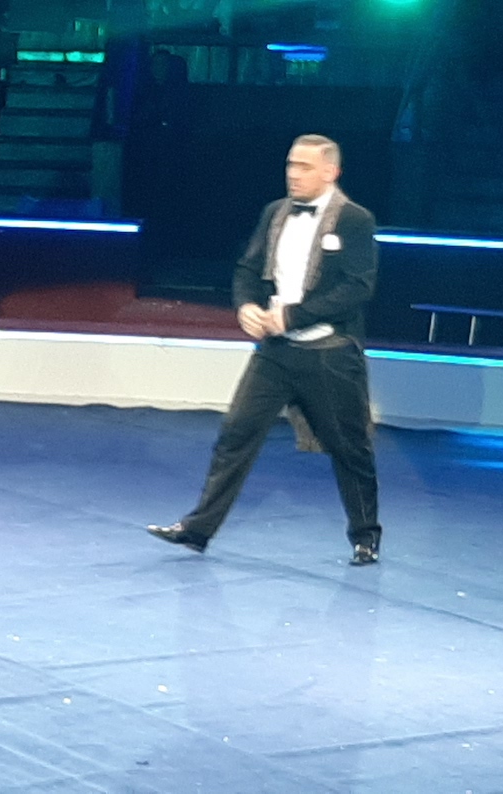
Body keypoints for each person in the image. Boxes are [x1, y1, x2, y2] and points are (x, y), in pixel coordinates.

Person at [146, 134, 383, 565]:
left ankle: (365, 536)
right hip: (277, 352)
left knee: (350, 447)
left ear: (331, 172)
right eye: (291, 164)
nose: (294, 174)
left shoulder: (355, 219)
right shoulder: (275, 212)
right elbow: (248, 268)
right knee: (236, 433)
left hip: (329, 352)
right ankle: (198, 529)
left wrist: (292, 316)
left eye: (304, 167)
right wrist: (246, 307)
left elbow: (357, 288)